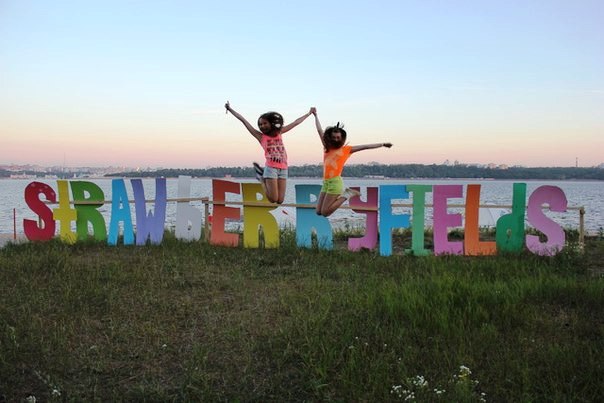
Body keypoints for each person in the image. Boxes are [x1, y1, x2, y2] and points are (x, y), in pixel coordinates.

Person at [225, 101, 314, 204]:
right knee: (273, 199)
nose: (262, 126)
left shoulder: (279, 132)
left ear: (271, 123)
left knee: (280, 200)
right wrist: (230, 109)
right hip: (271, 168)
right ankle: (262, 179)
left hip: (284, 168)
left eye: (264, 123)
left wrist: (308, 113)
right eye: (260, 124)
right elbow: (244, 121)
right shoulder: (261, 137)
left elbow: (295, 123)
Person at [312, 109, 392, 217]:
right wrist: (315, 115)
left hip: (335, 183)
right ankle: (346, 193)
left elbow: (365, 146)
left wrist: (382, 144)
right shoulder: (327, 147)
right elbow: (319, 130)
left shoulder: (346, 150)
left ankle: (347, 194)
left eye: (338, 137)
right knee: (318, 212)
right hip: (326, 182)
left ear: (342, 138)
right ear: (330, 137)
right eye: (334, 137)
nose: (336, 139)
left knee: (325, 213)